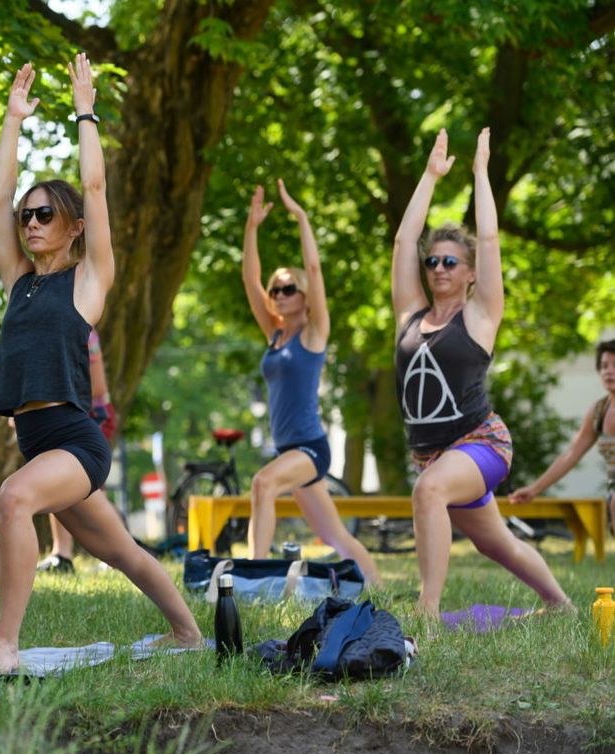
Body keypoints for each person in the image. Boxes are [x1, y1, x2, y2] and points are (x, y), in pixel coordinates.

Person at [0, 55, 202, 674]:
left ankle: (5, 646)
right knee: (122, 551)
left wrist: (85, 113)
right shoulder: (18, 282)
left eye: (44, 214)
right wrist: (12, 122)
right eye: (27, 215)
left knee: (15, 498)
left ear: (74, 228)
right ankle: (189, 633)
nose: (29, 222)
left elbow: (97, 188)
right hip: (38, 440)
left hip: (75, 441)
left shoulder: (87, 282)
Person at [391, 127, 571, 618]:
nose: (439, 267)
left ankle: (424, 617)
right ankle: (560, 605)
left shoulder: (479, 316)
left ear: (470, 272)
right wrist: (429, 176)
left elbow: (488, 238)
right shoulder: (409, 312)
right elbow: (404, 238)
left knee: (429, 493)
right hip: (434, 454)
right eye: (432, 261)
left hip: (481, 443)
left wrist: (480, 173)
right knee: (497, 545)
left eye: (451, 261)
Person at [240, 180, 380, 583]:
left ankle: (256, 573)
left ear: (303, 296)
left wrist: (302, 218)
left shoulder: (314, 333)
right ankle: (379, 587)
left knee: (263, 483)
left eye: (289, 288)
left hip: (309, 448)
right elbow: (250, 281)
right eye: (276, 289)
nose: (279, 294)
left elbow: (315, 270)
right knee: (333, 533)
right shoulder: (274, 331)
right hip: (290, 449)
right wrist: (251, 228)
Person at [510, 340, 615, 536]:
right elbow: (570, 454)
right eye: (604, 366)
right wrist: (535, 488)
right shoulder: (599, 410)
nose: (608, 371)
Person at [37, 327, 118, 574]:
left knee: (89, 488)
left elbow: (99, 388)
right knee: (55, 483)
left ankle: (115, 552)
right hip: (64, 414)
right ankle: (61, 554)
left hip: (92, 415)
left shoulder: (84, 332)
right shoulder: (42, 330)